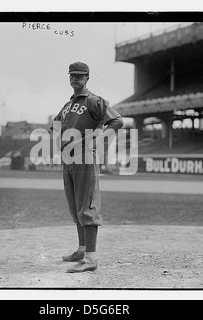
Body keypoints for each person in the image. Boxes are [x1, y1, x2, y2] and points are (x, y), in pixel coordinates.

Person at [50, 61, 123, 273]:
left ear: (87, 78)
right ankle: (82, 250)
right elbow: (54, 126)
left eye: (80, 76)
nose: (75, 79)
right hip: (68, 157)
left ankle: (91, 258)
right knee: (75, 205)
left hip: (84, 156)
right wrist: (59, 140)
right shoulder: (67, 105)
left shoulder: (93, 100)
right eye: (72, 75)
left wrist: (99, 139)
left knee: (87, 206)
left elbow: (117, 121)